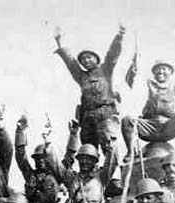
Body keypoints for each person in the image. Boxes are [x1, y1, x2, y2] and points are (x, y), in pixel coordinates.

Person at [53, 24, 125, 155]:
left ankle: (112, 173)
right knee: (88, 150)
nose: (85, 61)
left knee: (109, 146)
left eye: (89, 57)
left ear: (96, 59)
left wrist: (119, 36)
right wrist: (59, 42)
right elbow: (70, 61)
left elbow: (112, 54)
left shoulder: (105, 70)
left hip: (105, 114)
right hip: (87, 117)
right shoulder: (81, 76)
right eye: (83, 59)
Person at [121, 60, 175, 159]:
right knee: (127, 120)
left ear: (170, 72)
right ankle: (131, 152)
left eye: (164, 69)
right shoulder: (150, 84)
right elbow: (132, 81)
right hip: (149, 126)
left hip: (167, 127)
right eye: (157, 69)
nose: (160, 72)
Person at [14, 115, 66, 203]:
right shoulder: (31, 175)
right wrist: (20, 133)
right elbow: (21, 158)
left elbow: (68, 158)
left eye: (43, 158)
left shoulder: (56, 175)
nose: (40, 161)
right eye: (37, 158)